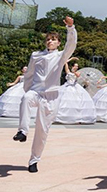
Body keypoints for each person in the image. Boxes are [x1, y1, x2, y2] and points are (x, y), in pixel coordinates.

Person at [13, 16, 77, 173]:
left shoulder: (61, 56)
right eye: (48, 39)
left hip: (51, 96)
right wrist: (27, 88)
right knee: (26, 98)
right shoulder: (36, 55)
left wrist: (70, 28)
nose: (50, 41)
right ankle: (22, 131)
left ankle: (34, 160)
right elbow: (29, 73)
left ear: (58, 43)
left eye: (53, 39)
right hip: (36, 91)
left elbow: (71, 44)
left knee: (42, 131)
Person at [55, 58, 97, 124]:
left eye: (77, 66)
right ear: (72, 66)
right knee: (64, 101)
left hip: (75, 87)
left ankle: (78, 117)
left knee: (78, 101)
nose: (76, 67)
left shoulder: (78, 72)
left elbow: (77, 75)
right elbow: (65, 62)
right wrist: (72, 59)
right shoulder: (68, 72)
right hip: (67, 86)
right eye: (75, 66)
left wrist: (74, 71)